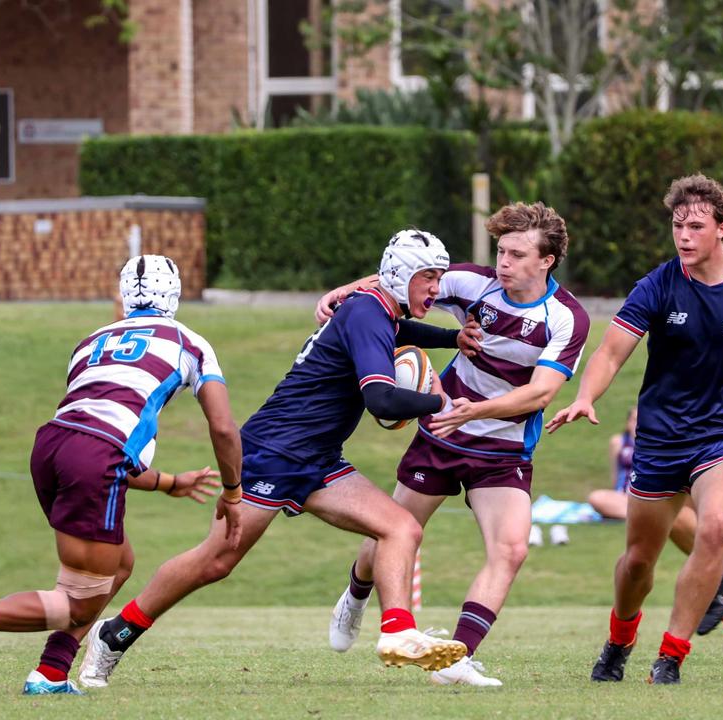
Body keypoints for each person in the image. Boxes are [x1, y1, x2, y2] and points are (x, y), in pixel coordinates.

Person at [75, 231, 471, 690]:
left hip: (318, 458)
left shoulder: (375, 311)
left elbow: (399, 331)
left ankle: (398, 630)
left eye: (439, 279)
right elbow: (381, 400)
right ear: (401, 275)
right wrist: (439, 404)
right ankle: (115, 634)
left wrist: (452, 337)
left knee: (401, 528)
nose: (436, 290)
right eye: (428, 278)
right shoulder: (366, 311)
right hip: (272, 452)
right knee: (216, 560)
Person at [0, 255, 243, 694]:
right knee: (76, 602)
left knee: (119, 564)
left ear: (125, 294)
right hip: (93, 455)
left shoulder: (89, 341)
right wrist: (232, 493)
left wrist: (170, 482)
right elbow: (223, 427)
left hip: (50, 447)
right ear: (174, 293)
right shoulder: (191, 342)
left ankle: (51, 672)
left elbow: (92, 435)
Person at [548, 174, 723, 685]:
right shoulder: (658, 284)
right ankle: (619, 640)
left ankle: (671, 656)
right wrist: (586, 396)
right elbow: (612, 351)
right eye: (677, 225)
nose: (683, 235)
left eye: (695, 225)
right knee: (637, 562)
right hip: (660, 438)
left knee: (716, 529)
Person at [317, 203, 591, 687]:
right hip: (442, 436)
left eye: (517, 254)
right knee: (393, 531)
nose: (503, 263)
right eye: (501, 251)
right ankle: (355, 596)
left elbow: (542, 391)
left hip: (503, 449)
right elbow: (402, 277)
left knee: (510, 549)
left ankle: (457, 656)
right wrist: (341, 292)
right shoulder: (472, 284)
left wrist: (477, 410)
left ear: (547, 261)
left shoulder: (566, 317)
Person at [588, 406, 723, 660]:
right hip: (663, 445)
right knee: (650, 547)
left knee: (700, 524)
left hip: (708, 435)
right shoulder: (628, 438)